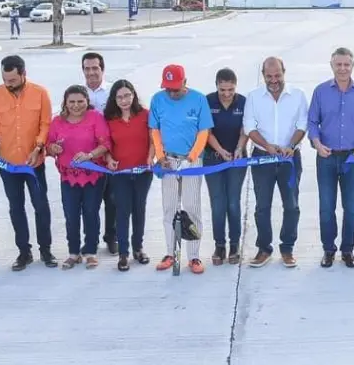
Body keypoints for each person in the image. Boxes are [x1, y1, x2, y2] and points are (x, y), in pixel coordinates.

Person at [0, 54, 57, 271]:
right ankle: (24, 252)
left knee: (41, 206)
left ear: (24, 74)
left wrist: (38, 147)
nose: (8, 84)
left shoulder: (40, 93)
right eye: (5, 80)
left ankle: (46, 250)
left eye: (12, 80)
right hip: (8, 164)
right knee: (16, 208)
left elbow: (46, 124)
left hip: (34, 163)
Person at [307, 47, 354, 269]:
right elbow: (312, 122)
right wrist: (317, 143)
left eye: (346, 64)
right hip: (326, 157)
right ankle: (329, 250)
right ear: (332, 66)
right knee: (327, 207)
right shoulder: (320, 91)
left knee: (351, 207)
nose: (342, 68)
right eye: (338, 64)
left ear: (352, 66)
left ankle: (347, 250)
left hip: (352, 158)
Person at [244, 57, 308, 268]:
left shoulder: (297, 95)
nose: (274, 80)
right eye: (269, 76)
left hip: (290, 159)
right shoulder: (253, 97)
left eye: (277, 75)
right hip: (263, 157)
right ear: (263, 75)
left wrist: (290, 145)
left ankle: (287, 248)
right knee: (262, 206)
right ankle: (264, 249)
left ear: (284, 72)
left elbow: (302, 124)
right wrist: (268, 146)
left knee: (291, 205)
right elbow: (249, 127)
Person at [149, 64, 213, 274]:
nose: (172, 93)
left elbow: (203, 131)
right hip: (168, 160)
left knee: (192, 207)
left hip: (191, 162)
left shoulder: (198, 99)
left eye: (176, 88)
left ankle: (193, 256)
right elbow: (155, 130)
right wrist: (160, 156)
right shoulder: (158, 99)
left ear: (185, 82)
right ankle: (170, 252)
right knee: (169, 208)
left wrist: (192, 156)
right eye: (168, 88)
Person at [47, 85, 111, 269]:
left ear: (87, 102)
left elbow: (105, 143)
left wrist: (89, 155)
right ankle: (73, 252)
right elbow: (49, 144)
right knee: (71, 215)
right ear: (65, 103)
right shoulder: (57, 121)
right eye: (72, 102)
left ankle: (90, 251)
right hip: (68, 177)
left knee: (91, 213)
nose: (76, 105)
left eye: (80, 101)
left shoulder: (95, 117)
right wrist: (54, 148)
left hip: (93, 175)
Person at [103, 79, 153, 271]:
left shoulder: (145, 115)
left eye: (127, 96)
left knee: (139, 208)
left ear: (133, 95)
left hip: (143, 172)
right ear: (114, 99)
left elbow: (152, 141)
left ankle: (138, 248)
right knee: (123, 211)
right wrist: (108, 159)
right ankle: (123, 253)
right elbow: (106, 144)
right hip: (119, 173)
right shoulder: (109, 119)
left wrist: (150, 157)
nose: (124, 100)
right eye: (119, 97)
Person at [204, 68, 247, 266]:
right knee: (218, 203)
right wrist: (221, 151)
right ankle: (219, 245)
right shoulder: (208, 101)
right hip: (214, 158)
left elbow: (245, 129)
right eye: (223, 90)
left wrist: (239, 148)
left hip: (237, 159)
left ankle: (234, 245)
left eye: (231, 90)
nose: (227, 94)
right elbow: (206, 131)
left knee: (233, 202)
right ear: (216, 86)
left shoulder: (243, 102)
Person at [82, 52, 116, 254]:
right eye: (87, 68)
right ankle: (90, 240)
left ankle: (111, 237)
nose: (91, 72)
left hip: (110, 154)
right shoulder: (77, 94)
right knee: (90, 202)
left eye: (95, 68)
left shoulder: (112, 92)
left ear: (102, 69)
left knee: (112, 200)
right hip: (87, 157)